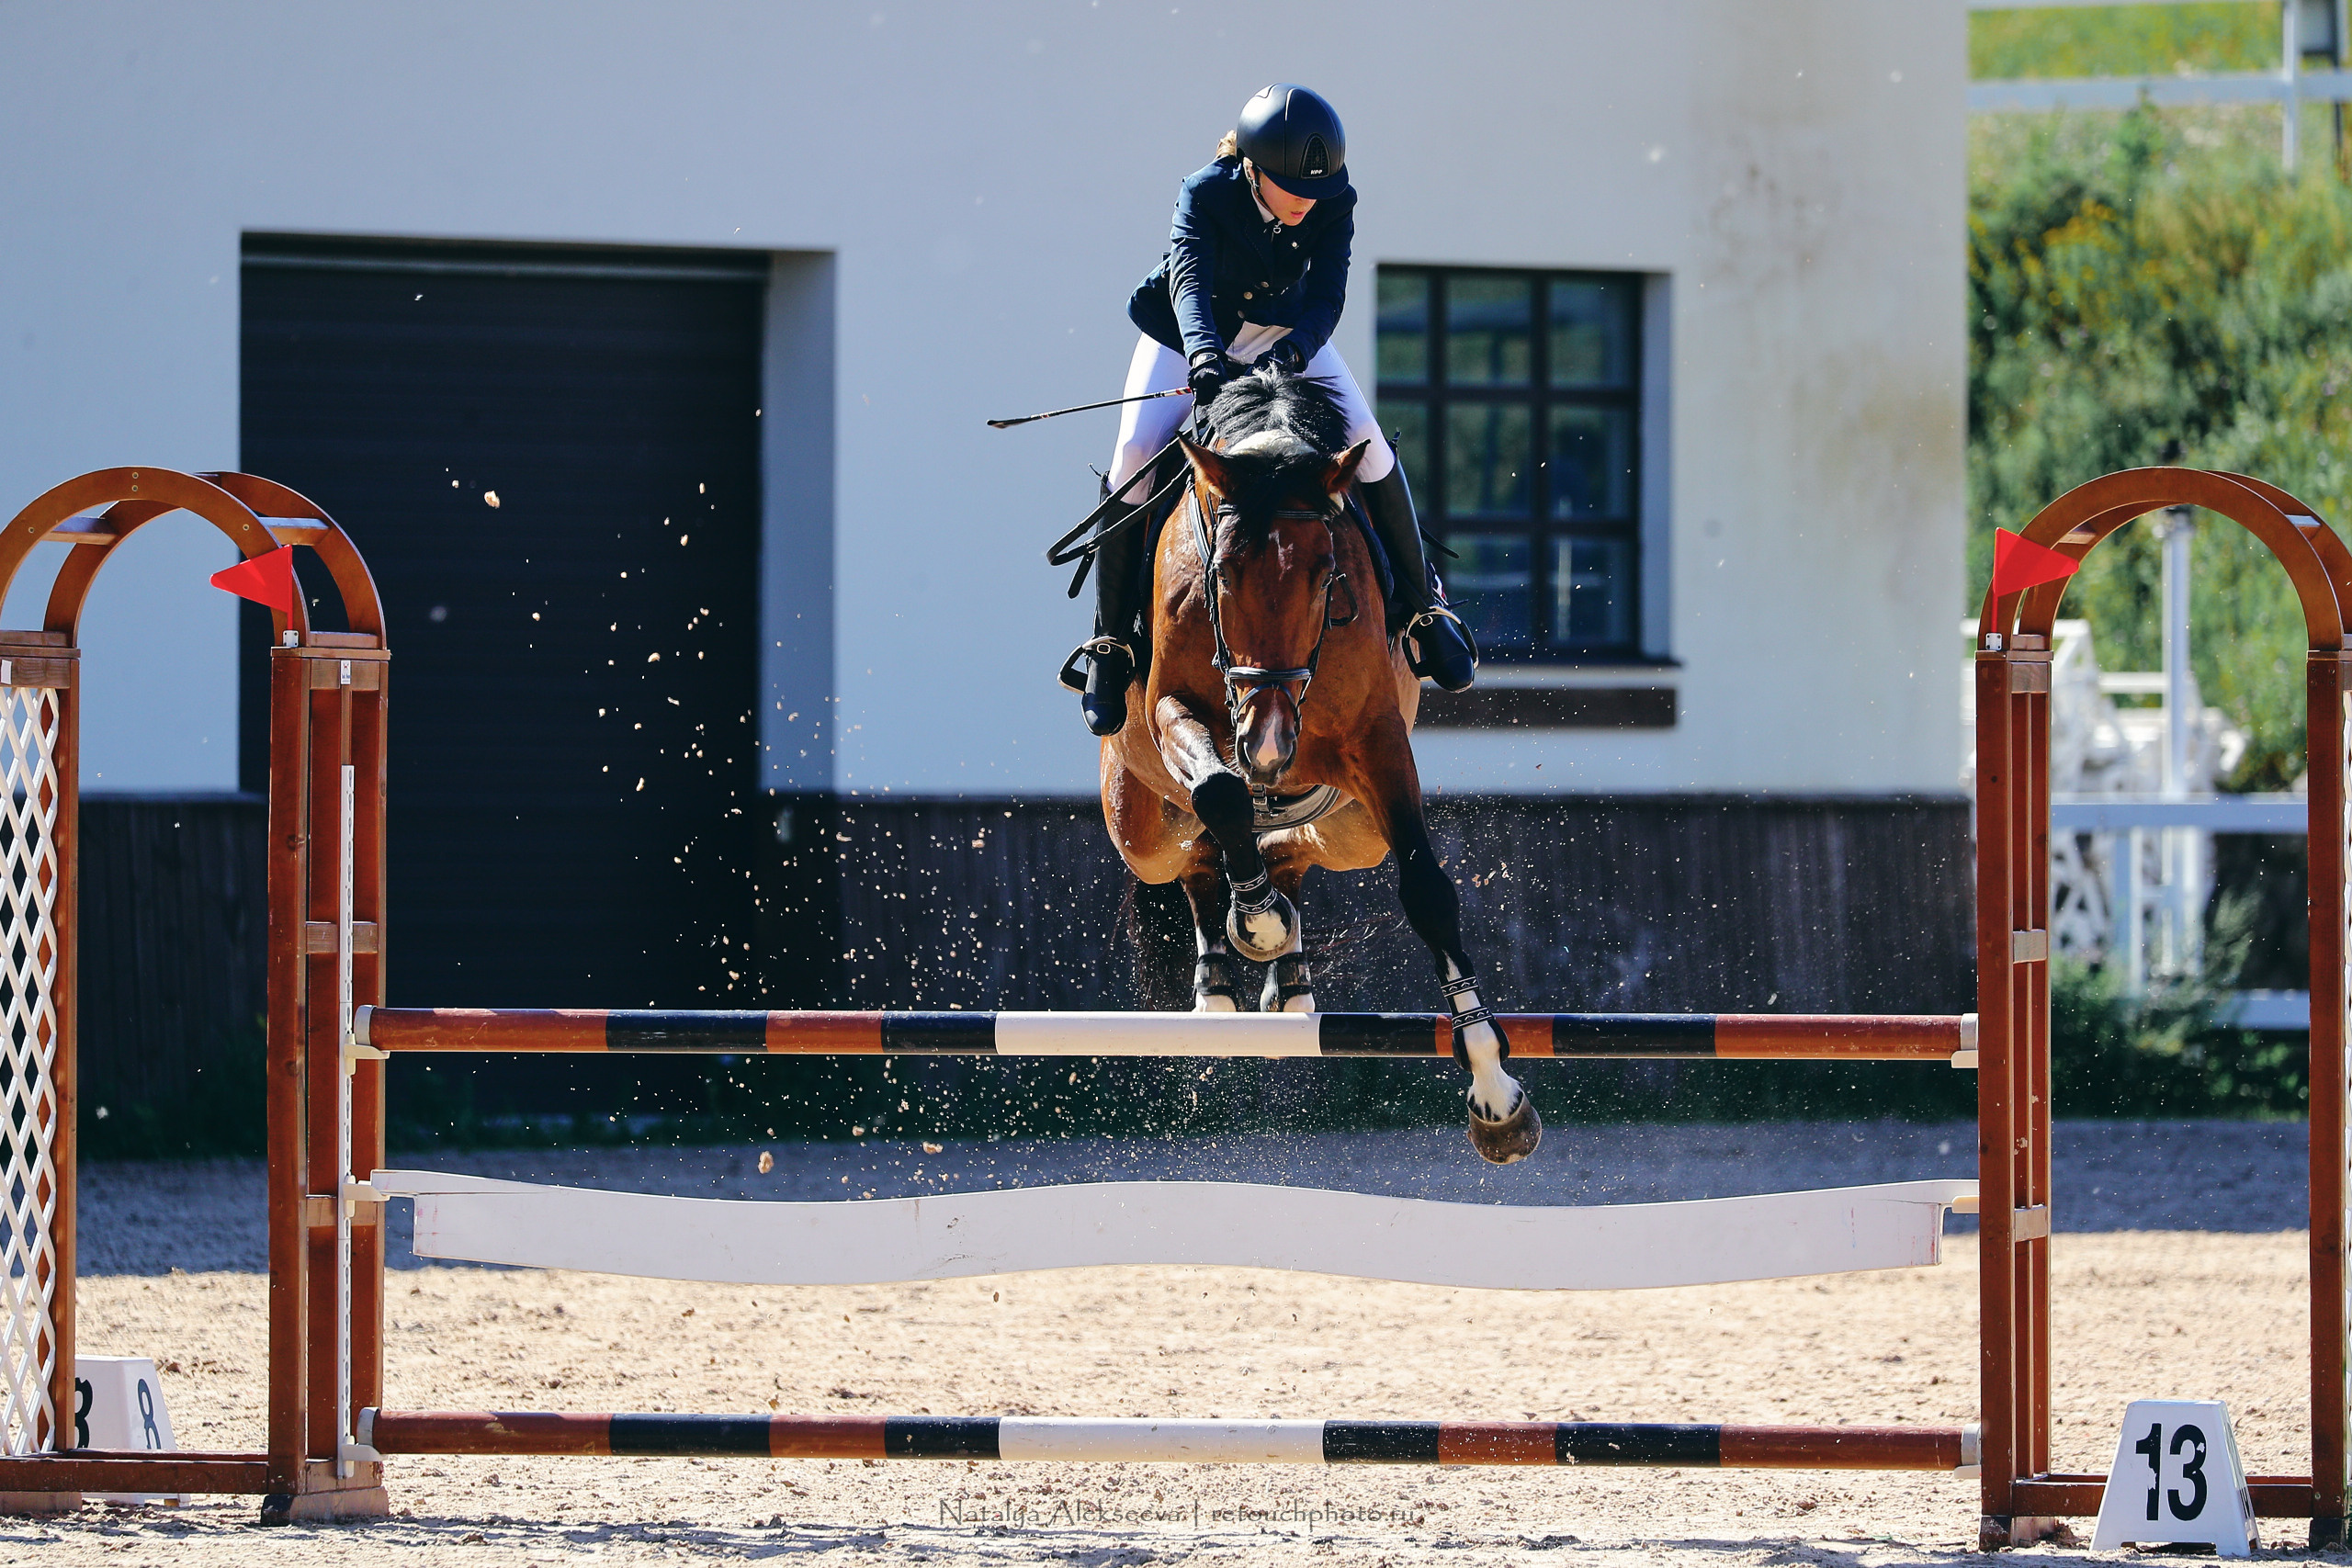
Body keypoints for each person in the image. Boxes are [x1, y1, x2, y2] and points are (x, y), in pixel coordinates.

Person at [1065, 83, 1477, 737]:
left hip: (1285, 337)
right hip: (1185, 333)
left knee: (1367, 443)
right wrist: (1205, 356)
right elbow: (1188, 283)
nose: (1307, 200)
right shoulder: (1205, 192)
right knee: (1136, 454)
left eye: (1317, 187)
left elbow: (1328, 296)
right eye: (1292, 186)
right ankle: (1111, 644)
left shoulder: (1334, 202)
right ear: (1254, 170)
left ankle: (1424, 610)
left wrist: (1294, 352)